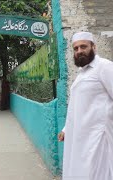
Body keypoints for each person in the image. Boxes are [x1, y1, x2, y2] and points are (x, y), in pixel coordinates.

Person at [57, 32, 113, 180]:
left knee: (95, 173)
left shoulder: (105, 67)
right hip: (80, 135)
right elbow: (77, 106)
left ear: (93, 47)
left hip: (97, 137)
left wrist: (106, 119)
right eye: (76, 48)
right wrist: (66, 129)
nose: (79, 51)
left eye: (83, 46)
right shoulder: (82, 73)